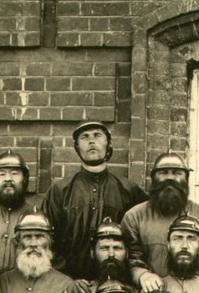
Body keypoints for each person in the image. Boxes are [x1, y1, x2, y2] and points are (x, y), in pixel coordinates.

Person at [43, 120, 148, 281]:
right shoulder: (60, 190)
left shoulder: (128, 189)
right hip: (71, 284)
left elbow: (140, 240)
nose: (91, 141)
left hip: (116, 284)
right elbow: (47, 239)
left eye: (97, 136)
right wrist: (66, 280)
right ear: (76, 147)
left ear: (108, 143)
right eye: (84, 137)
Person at [120, 152, 199, 279]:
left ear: (186, 179)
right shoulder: (134, 217)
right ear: (153, 178)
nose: (170, 178)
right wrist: (142, 275)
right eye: (163, 172)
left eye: (177, 173)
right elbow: (127, 259)